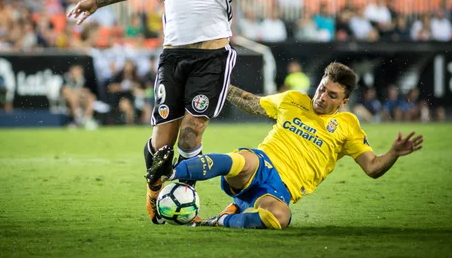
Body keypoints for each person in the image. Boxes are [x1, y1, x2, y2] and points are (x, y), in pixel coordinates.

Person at [68, 0, 310, 224]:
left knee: (190, 133)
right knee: (161, 146)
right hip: (172, 55)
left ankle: (186, 199)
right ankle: (155, 191)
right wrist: (96, 1)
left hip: (212, 56)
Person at [147, 62, 424, 229]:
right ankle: (171, 172)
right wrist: (221, 85)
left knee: (279, 218)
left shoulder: (349, 125)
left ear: (344, 102)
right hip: (261, 163)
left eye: (332, 95)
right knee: (243, 159)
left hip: (281, 189)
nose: (322, 97)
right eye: (321, 88)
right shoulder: (295, 100)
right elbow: (252, 102)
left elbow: (373, 167)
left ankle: (222, 219)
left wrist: (394, 153)